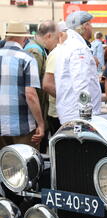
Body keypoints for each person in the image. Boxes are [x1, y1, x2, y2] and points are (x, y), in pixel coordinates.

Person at [0, 21, 45, 149]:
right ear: (24, 38)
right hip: (22, 126)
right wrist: (41, 124)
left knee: (3, 167)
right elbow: (30, 95)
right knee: (26, 166)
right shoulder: (26, 58)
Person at [55, 11, 101, 124]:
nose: (92, 27)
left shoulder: (66, 46)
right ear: (85, 26)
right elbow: (81, 84)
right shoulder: (78, 48)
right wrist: (86, 116)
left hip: (70, 113)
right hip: (79, 116)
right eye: (90, 24)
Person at [24, 20, 59, 152]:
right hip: (35, 113)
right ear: (48, 36)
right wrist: (40, 120)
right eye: (56, 38)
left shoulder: (37, 49)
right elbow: (33, 88)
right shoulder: (35, 52)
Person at [42, 21, 68, 136]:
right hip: (58, 113)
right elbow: (47, 84)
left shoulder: (61, 51)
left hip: (60, 112)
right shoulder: (57, 53)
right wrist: (66, 99)